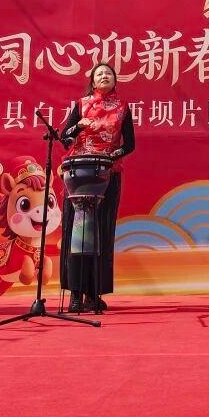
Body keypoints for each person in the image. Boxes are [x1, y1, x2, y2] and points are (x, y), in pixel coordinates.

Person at [58, 62, 135, 314]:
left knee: (100, 232)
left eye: (108, 73)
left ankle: (93, 293)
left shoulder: (122, 108)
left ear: (115, 80)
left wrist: (111, 157)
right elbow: (65, 138)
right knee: (76, 234)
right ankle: (75, 294)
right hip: (79, 174)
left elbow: (129, 144)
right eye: (99, 73)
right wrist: (78, 126)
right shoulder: (81, 105)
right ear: (92, 81)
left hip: (107, 174)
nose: (104, 76)